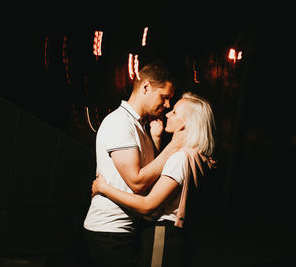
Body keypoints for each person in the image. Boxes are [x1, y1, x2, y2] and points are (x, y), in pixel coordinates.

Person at [92, 92, 217, 267]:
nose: (167, 114)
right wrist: (157, 139)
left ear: (185, 123)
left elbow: (147, 205)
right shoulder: (198, 156)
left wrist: (103, 188)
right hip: (179, 237)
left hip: (164, 236)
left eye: (174, 112)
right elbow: (163, 186)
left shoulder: (180, 158)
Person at [83, 61, 185, 267]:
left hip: (126, 230)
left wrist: (155, 140)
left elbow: (152, 175)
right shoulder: (119, 123)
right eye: (164, 97)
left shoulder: (141, 126)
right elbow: (138, 182)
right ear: (146, 87)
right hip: (108, 232)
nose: (167, 105)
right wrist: (173, 147)